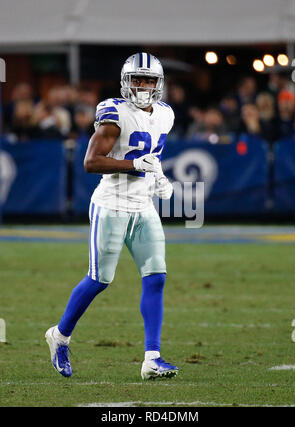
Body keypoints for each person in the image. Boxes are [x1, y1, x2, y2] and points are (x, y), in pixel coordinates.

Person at [45, 53, 179, 380]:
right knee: (100, 279)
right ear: (125, 81)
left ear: (158, 84)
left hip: (143, 205)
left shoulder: (165, 114)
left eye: (149, 80)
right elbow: (91, 161)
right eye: (137, 79)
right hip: (112, 203)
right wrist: (136, 167)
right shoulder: (114, 112)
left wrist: (158, 176)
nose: (143, 86)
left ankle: (152, 358)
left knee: (156, 275)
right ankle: (59, 336)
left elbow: (149, 157)